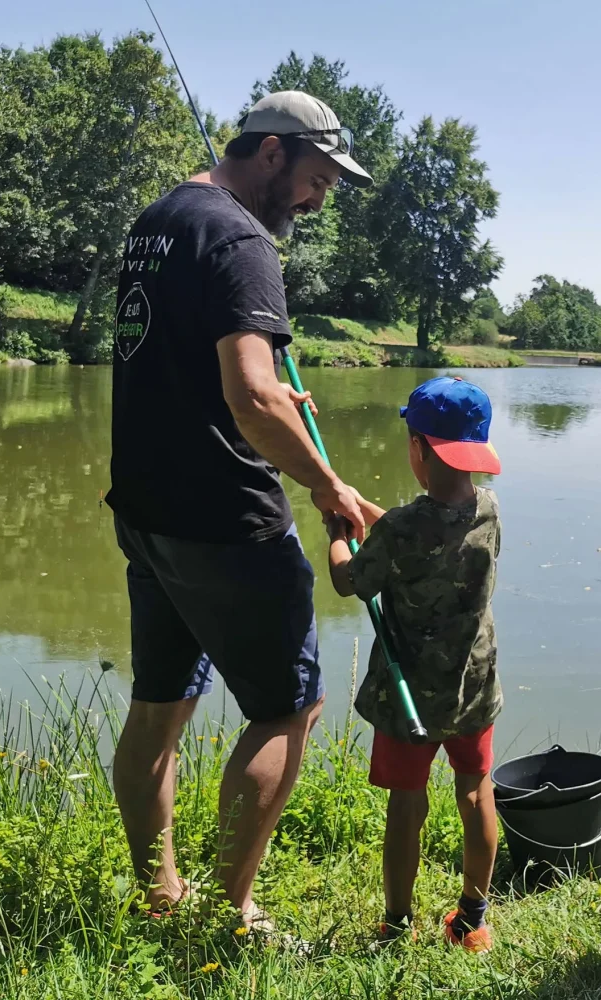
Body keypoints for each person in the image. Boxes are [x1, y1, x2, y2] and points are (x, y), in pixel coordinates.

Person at [105, 90, 372, 929]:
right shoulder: (240, 234)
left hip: (146, 511)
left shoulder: (161, 219)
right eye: (317, 177)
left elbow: (197, 367)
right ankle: (232, 913)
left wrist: (278, 408)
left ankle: (160, 897)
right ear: (271, 154)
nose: (318, 199)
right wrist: (328, 488)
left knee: (159, 707)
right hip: (224, 518)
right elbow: (254, 397)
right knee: (288, 709)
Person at [325, 376, 503, 952]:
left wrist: (336, 530)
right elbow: (427, 536)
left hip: (410, 700)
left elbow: (350, 581)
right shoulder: (488, 511)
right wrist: (367, 512)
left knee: (408, 804)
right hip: (472, 688)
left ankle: (398, 923)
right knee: (476, 793)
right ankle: (472, 920)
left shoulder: (402, 529)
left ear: (418, 448)